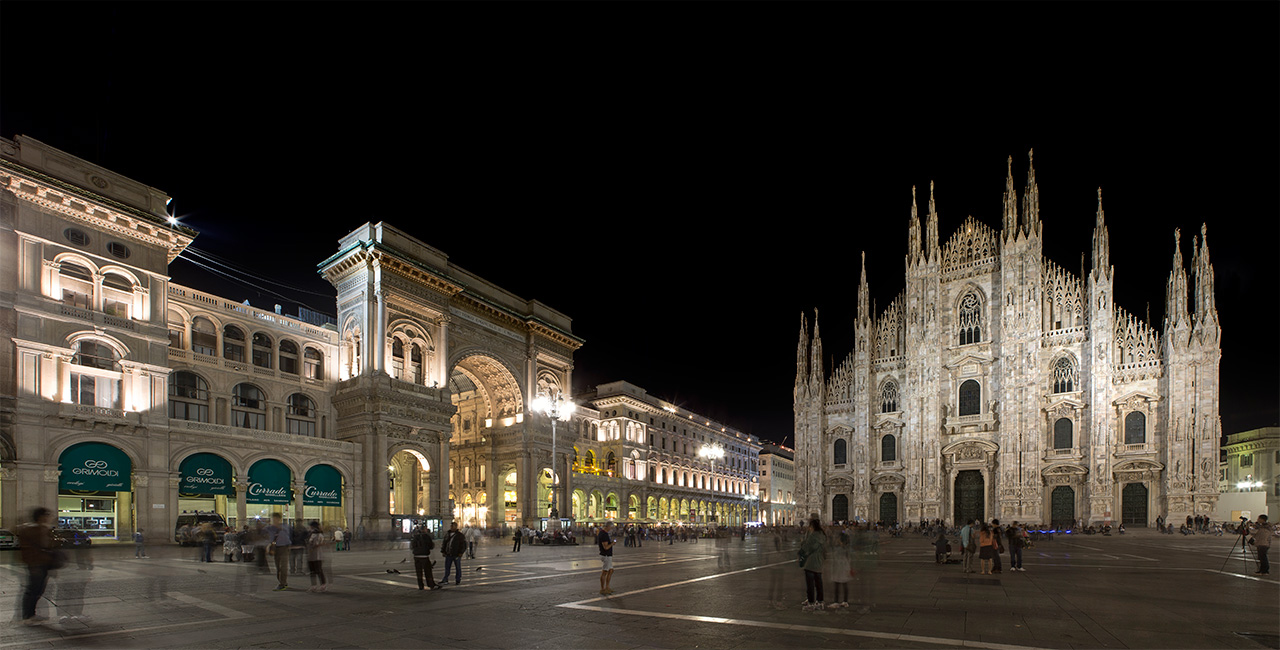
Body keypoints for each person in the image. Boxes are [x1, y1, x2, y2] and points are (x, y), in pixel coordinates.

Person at [799, 517, 826, 611]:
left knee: (810, 584)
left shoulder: (813, 536)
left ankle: (811, 602)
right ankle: (820, 601)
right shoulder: (822, 535)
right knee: (819, 583)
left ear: (812, 526)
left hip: (811, 562)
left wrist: (803, 542)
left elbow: (806, 547)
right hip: (819, 561)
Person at [265, 513, 293, 590]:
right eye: (273, 519)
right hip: (275, 548)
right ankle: (282, 581)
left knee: (283, 566)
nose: (274, 520)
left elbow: (290, 536)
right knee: (278, 566)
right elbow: (263, 532)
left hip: (284, 547)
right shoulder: (269, 528)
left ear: (279, 519)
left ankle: (283, 583)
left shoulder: (285, 526)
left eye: (275, 519)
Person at [411, 525, 441, 590]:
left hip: (416, 556)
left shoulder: (415, 537)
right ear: (424, 529)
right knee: (428, 571)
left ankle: (420, 585)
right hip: (424, 556)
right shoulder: (426, 536)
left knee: (419, 572)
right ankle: (431, 584)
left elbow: (412, 546)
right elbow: (431, 546)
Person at [829, 529, 852, 608]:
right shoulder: (846, 547)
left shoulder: (840, 548)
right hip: (844, 566)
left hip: (840, 566)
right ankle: (845, 601)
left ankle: (836, 601)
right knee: (844, 584)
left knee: (837, 583)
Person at [306, 521, 330, 592]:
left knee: (318, 570)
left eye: (310, 526)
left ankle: (323, 585)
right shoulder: (310, 534)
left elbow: (316, 543)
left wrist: (312, 545)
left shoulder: (318, 534)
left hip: (317, 555)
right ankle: (314, 585)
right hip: (311, 554)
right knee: (312, 571)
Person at [442, 521, 466, 586]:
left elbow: (463, 545)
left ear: (456, 527)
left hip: (456, 554)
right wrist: (443, 551)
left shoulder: (460, 535)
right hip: (448, 554)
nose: (451, 527)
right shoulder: (447, 534)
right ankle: (445, 579)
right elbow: (444, 543)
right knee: (447, 567)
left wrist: (461, 552)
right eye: (451, 526)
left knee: (458, 567)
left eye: (452, 526)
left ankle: (458, 580)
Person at [597, 521, 615, 595]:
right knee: (605, 572)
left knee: (610, 570)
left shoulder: (604, 533)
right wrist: (612, 544)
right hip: (606, 555)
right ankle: (602, 588)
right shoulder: (604, 534)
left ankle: (607, 587)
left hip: (608, 555)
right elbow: (606, 547)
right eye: (611, 527)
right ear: (608, 526)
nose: (611, 529)